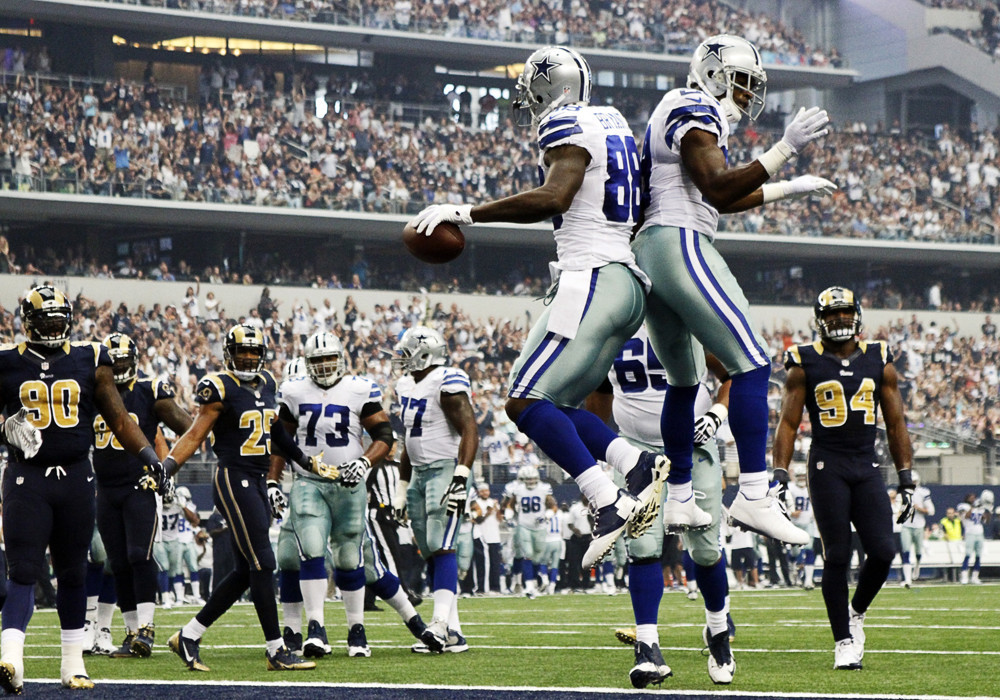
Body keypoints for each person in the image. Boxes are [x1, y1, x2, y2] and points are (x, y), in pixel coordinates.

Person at [408, 46, 666, 569]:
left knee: (523, 403)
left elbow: (556, 196)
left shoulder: (567, 122)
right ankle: (635, 465)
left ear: (551, 88)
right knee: (560, 408)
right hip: (624, 280)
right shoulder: (612, 120)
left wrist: (467, 212)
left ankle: (607, 500)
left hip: (590, 277)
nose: (528, 105)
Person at [632, 34, 834, 545]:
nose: (747, 97)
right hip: (677, 242)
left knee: (683, 381)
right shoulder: (694, 104)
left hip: (655, 247)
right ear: (716, 74)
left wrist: (788, 186)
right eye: (743, 84)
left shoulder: (679, 110)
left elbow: (717, 196)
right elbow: (718, 187)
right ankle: (753, 493)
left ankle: (679, 497)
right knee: (752, 363)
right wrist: (785, 150)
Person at [0, 285, 165, 694]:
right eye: (46, 321)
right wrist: (7, 428)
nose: (54, 328)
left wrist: (151, 458)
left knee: (73, 572)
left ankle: (72, 665)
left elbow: (121, 419)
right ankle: (10, 658)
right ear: (28, 323)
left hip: (76, 477)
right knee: (23, 569)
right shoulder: (6, 362)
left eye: (59, 321)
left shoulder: (90, 358)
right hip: (27, 478)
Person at [773, 286, 914, 670]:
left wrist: (906, 477)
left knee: (883, 551)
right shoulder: (803, 362)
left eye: (845, 313)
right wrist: (780, 473)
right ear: (820, 320)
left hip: (866, 464)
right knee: (837, 553)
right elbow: (788, 422)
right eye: (832, 315)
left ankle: (856, 612)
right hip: (827, 465)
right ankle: (843, 641)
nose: (840, 320)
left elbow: (896, 421)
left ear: (857, 315)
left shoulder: (879, 358)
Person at [587, 326, 736, 687]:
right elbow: (599, 397)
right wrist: (600, 463)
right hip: (635, 453)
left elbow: (732, 374)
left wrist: (717, 413)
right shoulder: (610, 325)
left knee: (704, 550)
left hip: (692, 449)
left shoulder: (686, 319)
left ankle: (718, 631)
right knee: (642, 547)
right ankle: (648, 647)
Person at [162, 324, 316, 672]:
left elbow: (275, 429)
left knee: (248, 571)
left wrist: (304, 460)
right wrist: (167, 466)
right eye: (241, 352)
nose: (247, 358)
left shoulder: (268, 385)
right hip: (233, 477)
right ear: (229, 353)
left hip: (258, 479)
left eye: (253, 352)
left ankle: (188, 634)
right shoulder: (218, 387)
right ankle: (276, 649)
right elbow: (195, 433)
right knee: (264, 562)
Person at [269, 331, 397, 659]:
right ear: (308, 363)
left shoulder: (359, 388)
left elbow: (384, 434)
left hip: (349, 482)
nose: (324, 365)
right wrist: (272, 480)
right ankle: (316, 628)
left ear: (340, 357)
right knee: (310, 551)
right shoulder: (293, 390)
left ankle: (357, 630)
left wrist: (365, 461)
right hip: (309, 481)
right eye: (317, 360)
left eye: (329, 358)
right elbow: (281, 441)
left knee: (350, 555)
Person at [93, 332, 193, 659]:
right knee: (118, 562)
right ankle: (132, 632)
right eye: (114, 362)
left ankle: (147, 628)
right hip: (105, 489)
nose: (119, 368)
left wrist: (164, 468)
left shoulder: (150, 390)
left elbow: (190, 430)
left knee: (139, 554)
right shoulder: (92, 392)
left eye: (124, 362)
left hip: (139, 485)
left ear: (135, 362)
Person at [390, 326, 479, 652]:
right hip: (419, 474)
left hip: (445, 469)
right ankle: (452, 632)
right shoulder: (405, 384)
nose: (400, 358)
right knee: (429, 548)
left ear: (424, 353)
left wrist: (461, 474)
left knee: (443, 545)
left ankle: (439, 625)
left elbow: (470, 429)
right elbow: (409, 441)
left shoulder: (447, 380)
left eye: (406, 352)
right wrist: (401, 488)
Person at [501, 465, 556, 599]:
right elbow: (510, 504)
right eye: (528, 479)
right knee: (527, 554)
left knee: (537, 557)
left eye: (533, 479)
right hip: (523, 525)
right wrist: (508, 515)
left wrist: (547, 515)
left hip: (540, 527)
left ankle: (534, 583)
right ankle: (529, 586)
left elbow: (553, 506)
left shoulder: (544, 488)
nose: (531, 481)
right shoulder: (518, 489)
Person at [899, 470, 934, 587]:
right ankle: (908, 579)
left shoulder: (923, 492)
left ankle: (917, 565)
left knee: (918, 552)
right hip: (906, 525)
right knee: (905, 551)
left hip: (919, 525)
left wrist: (918, 509)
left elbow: (931, 511)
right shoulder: (903, 492)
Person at [960, 490, 992, 584]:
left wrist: (989, 510)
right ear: (967, 498)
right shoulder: (963, 506)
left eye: (974, 497)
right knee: (968, 555)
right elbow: (966, 516)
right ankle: (964, 576)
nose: (973, 499)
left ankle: (975, 577)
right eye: (971, 497)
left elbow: (986, 521)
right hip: (970, 533)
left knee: (978, 556)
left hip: (979, 533)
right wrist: (974, 507)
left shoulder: (979, 508)